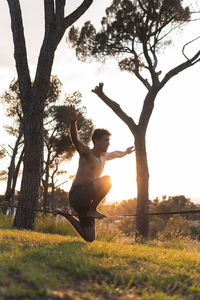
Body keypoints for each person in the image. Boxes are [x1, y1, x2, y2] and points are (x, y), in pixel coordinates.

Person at [53, 105, 134, 242]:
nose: (108, 143)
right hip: (77, 195)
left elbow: (117, 154)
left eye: (109, 140)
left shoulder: (104, 156)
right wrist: (73, 123)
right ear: (96, 141)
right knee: (107, 179)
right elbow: (75, 139)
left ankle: (66, 214)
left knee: (89, 237)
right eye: (106, 140)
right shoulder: (86, 153)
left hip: (86, 201)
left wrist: (125, 152)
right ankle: (93, 209)